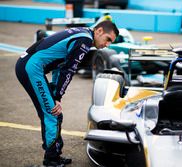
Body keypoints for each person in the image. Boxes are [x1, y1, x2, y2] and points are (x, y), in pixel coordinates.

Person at [15, 20, 119, 167]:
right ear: (99, 31)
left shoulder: (84, 32)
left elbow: (61, 66)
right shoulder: (85, 40)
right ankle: (51, 160)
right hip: (31, 68)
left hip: (28, 65)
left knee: (54, 113)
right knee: (52, 113)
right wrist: (57, 97)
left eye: (111, 42)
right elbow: (68, 70)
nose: (107, 45)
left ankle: (54, 155)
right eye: (108, 39)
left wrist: (56, 92)